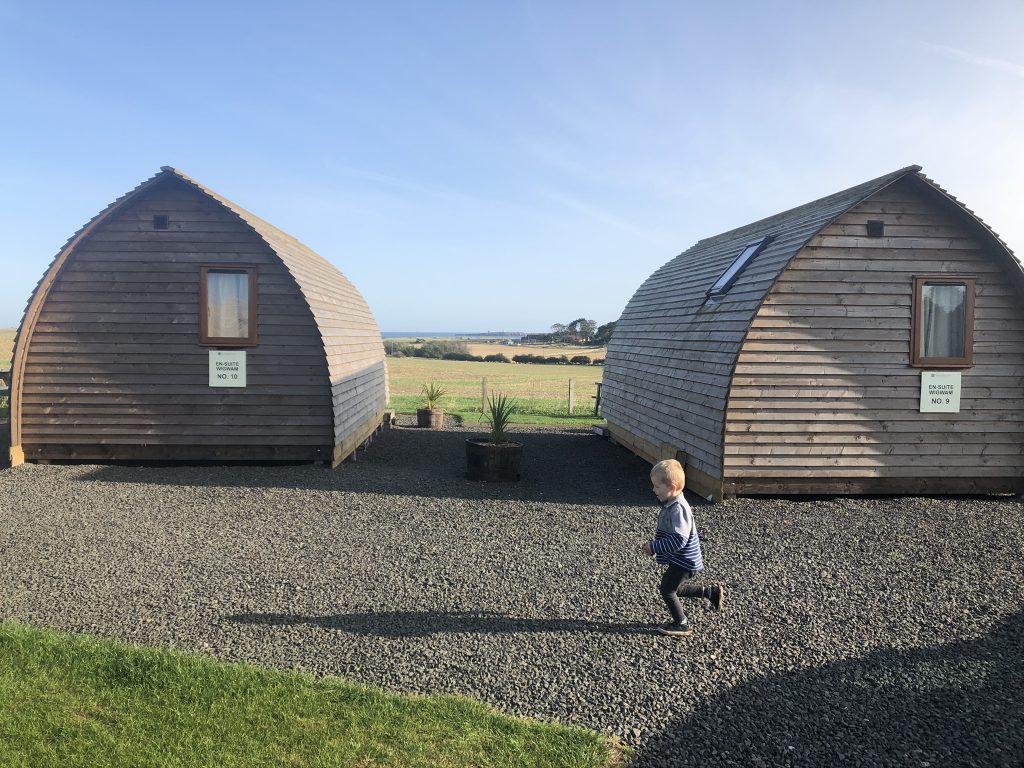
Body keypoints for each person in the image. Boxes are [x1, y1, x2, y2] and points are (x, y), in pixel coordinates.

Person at [640, 459, 724, 636]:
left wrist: (655, 547)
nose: (653, 490)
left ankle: (682, 623)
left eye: (657, 486)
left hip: (684, 560)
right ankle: (711, 592)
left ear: (671, 487)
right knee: (675, 587)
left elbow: (679, 539)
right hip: (681, 559)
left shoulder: (678, 508)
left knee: (667, 590)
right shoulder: (672, 503)